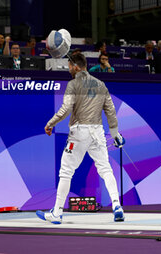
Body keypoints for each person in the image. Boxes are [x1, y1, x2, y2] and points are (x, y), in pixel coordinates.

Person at [36, 53, 125, 224]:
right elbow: (111, 112)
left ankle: (57, 213)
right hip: (98, 132)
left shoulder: (73, 84)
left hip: (79, 131)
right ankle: (117, 205)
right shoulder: (101, 84)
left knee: (66, 171)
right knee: (105, 169)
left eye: (69, 66)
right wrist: (115, 135)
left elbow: (66, 108)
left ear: (76, 66)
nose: (68, 69)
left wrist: (50, 123)